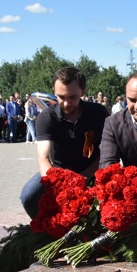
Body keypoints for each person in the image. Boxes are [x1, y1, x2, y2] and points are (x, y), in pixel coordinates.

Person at [19, 67, 110, 218]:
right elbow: (45, 158)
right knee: (29, 196)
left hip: (92, 169)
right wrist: (56, 185)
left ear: (83, 92)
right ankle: (47, 228)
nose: (66, 103)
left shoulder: (98, 113)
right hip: (58, 172)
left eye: (72, 97)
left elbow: (106, 152)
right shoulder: (46, 117)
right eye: (61, 97)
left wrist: (84, 178)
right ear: (53, 91)